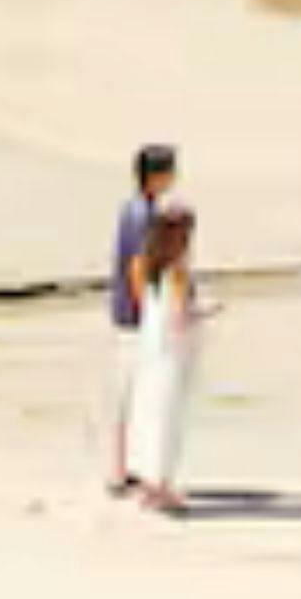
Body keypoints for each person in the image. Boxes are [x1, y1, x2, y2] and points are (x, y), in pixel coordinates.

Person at [119, 198, 202, 516]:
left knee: (147, 409)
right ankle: (161, 486)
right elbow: (181, 314)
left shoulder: (142, 264)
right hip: (171, 349)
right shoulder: (177, 270)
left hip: (149, 345)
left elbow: (145, 304)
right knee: (167, 414)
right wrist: (202, 313)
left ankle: (147, 483)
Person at [105, 142, 179, 499]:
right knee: (132, 393)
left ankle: (122, 470)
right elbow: (136, 267)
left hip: (129, 313)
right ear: (156, 176)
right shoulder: (141, 214)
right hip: (133, 317)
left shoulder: (140, 209)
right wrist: (149, 311)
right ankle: (120, 472)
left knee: (130, 392)